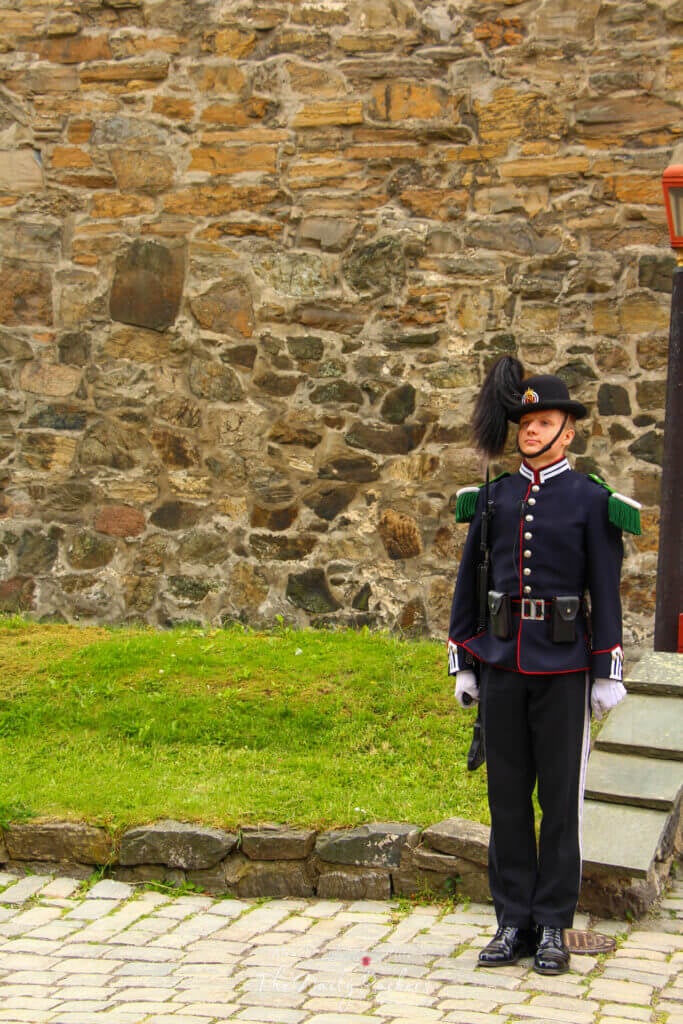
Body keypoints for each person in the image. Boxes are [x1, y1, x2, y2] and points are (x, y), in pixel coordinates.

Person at [447, 356, 640, 976]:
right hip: (503, 660)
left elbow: (604, 591)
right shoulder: (495, 498)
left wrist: (608, 666)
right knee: (506, 798)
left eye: (545, 422)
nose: (531, 431)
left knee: (558, 802)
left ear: (569, 431)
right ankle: (513, 922)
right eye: (525, 422)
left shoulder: (592, 501)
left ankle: (554, 923)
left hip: (563, 667)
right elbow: (469, 583)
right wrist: (465, 658)